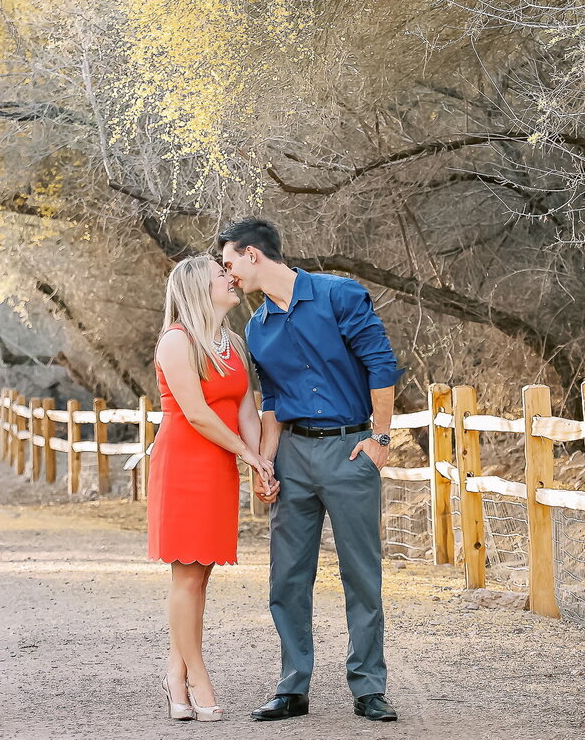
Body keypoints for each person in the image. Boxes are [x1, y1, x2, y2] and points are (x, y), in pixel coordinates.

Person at [219, 218, 402, 723]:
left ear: (253, 255)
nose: (228, 274)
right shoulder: (257, 328)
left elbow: (381, 367)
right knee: (287, 577)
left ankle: (368, 687)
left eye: (230, 263)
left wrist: (380, 440)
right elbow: (273, 402)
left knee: (361, 576)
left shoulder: (339, 295)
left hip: (349, 450)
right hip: (293, 457)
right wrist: (265, 464)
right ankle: (292, 687)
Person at [147, 255, 278, 722]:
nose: (230, 278)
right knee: (186, 575)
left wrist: (261, 463)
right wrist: (248, 455)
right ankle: (197, 676)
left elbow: (246, 413)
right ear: (199, 289)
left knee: (201, 576)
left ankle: (174, 674)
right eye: (220, 275)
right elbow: (198, 414)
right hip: (183, 463)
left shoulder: (235, 344)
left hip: (221, 463)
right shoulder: (176, 341)